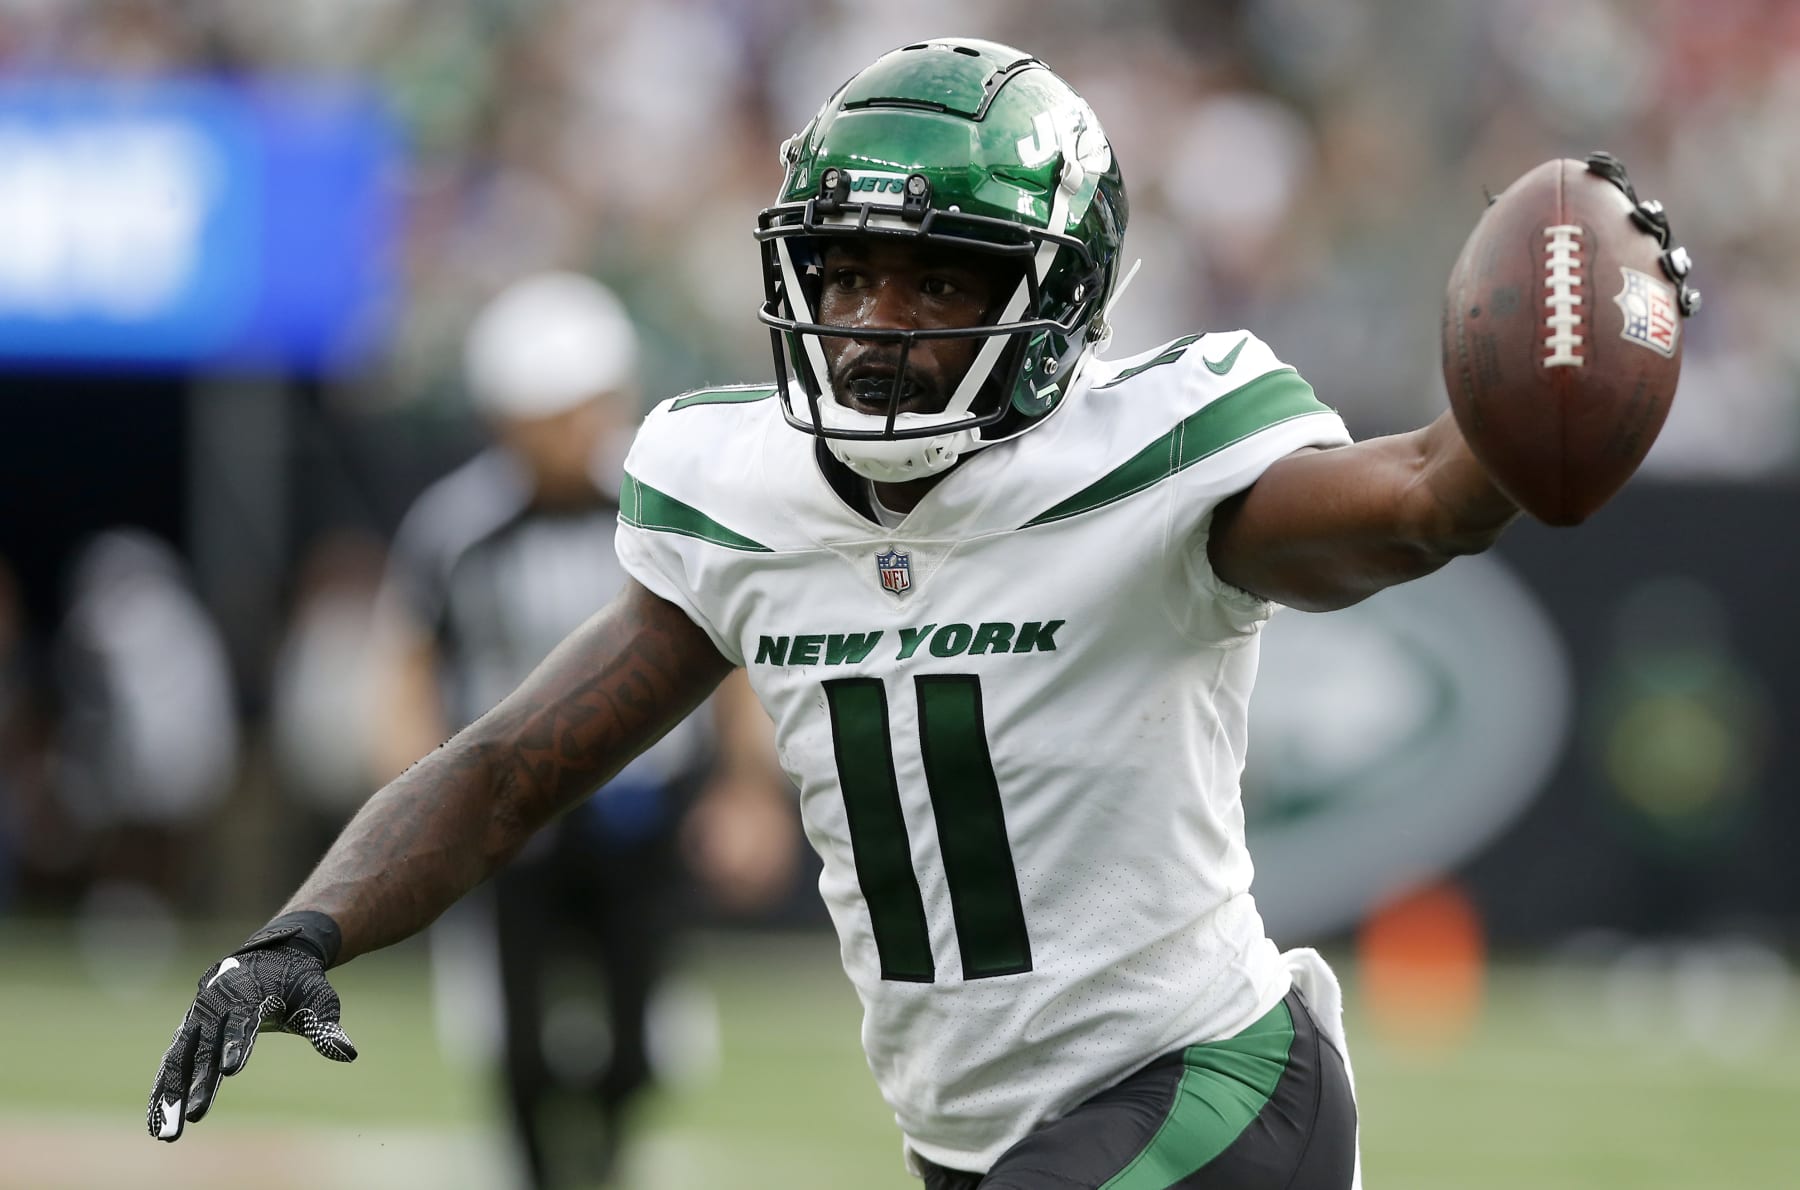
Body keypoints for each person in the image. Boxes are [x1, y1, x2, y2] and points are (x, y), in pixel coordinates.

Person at [146, 39, 1691, 1189]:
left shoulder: (1156, 457)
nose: (875, 325)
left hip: (1207, 1087)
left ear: (1057, 299)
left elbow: (1422, 498)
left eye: (936, 282)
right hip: (978, 1139)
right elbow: (505, 768)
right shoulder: (739, 487)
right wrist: (302, 929)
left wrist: (1553, 393)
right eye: (846, 273)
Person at [367, 271, 796, 1188]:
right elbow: (408, 662)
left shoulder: (656, 516)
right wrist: (415, 797)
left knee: (645, 1047)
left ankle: (597, 1163)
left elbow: (725, 658)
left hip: (639, 809)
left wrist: (747, 787)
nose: (573, 430)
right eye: (552, 410)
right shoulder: (459, 527)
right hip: (513, 819)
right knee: (516, 1051)